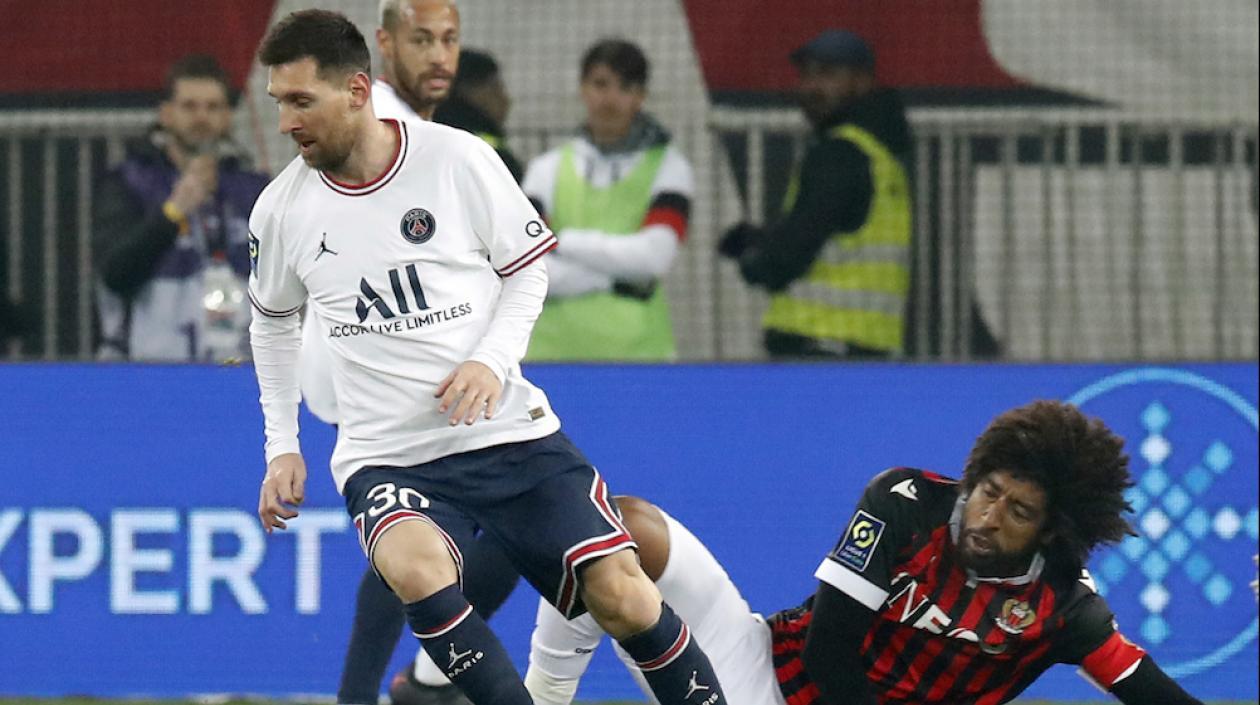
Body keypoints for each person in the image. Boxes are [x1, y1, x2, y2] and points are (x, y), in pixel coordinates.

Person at [249, 10, 728, 705]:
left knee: (622, 595)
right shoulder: (281, 210)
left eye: (301, 101)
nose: (286, 121)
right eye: (277, 103)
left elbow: (527, 270)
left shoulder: (457, 160)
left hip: (508, 434)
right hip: (387, 453)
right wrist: (281, 445)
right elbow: (272, 326)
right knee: (416, 568)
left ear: (356, 91)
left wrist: (491, 361)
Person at [525, 401, 1206, 705]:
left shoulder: (1065, 607)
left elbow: (1145, 688)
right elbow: (829, 650)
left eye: (1019, 510)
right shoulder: (904, 503)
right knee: (623, 527)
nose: (989, 516)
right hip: (758, 676)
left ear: (1051, 530)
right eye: (989, 490)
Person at [299, 5, 525, 705]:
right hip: (380, 366)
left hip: (429, 364)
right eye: (422, 40)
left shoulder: (440, 139)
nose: (439, 56)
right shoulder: (371, 126)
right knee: (489, 525)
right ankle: (387, 691)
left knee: (435, 539)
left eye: (450, 41)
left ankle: (414, 684)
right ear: (386, 46)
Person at [717, 30, 912, 360]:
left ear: (863, 81)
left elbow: (791, 253)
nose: (811, 87)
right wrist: (763, 238)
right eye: (806, 75)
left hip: (818, 350)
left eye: (827, 74)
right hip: (869, 349)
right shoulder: (882, 155)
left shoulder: (839, 153)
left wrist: (755, 258)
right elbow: (841, 238)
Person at [522, 38, 693, 361]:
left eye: (624, 87)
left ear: (640, 96)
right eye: (600, 84)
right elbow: (526, 267)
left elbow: (654, 257)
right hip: (550, 356)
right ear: (582, 89)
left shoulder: (670, 168)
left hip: (639, 358)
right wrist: (615, 281)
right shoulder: (546, 169)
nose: (610, 99)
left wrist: (563, 242)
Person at [93, 54, 269, 361]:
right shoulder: (129, 184)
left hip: (239, 372)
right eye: (189, 106)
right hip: (147, 372)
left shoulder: (254, 191)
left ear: (228, 116)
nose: (201, 117)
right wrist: (173, 212)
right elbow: (114, 273)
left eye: (213, 107)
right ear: (166, 114)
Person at [434, 48, 523, 182]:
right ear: (469, 91)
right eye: (496, 88)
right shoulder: (488, 154)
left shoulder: (432, 138)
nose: (505, 99)